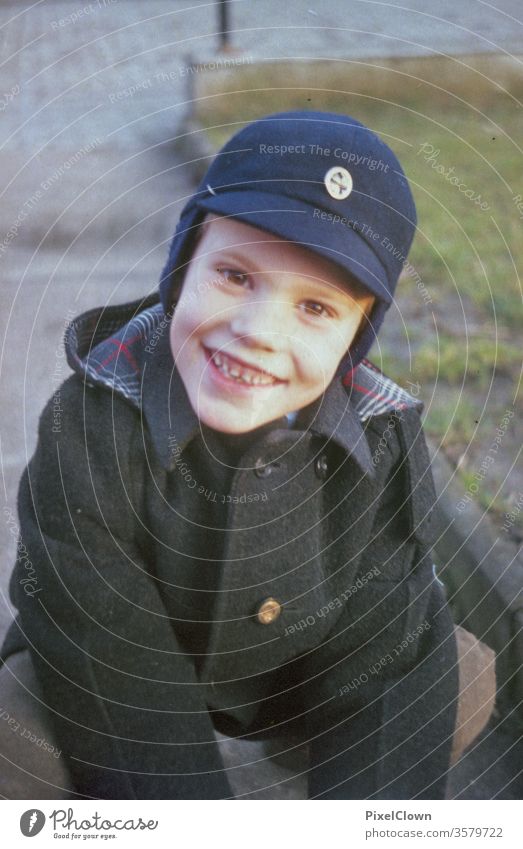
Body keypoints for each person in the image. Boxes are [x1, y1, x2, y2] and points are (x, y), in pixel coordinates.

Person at [0, 110, 496, 800]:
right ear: (182, 266)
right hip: (118, 680)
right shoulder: (87, 423)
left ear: (357, 333)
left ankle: (295, 787)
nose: (256, 330)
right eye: (233, 275)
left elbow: (387, 644)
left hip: (293, 681)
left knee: (456, 670)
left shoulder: (382, 435)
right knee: (12, 722)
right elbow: (103, 645)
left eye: (316, 308)